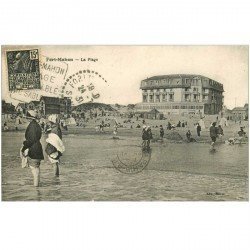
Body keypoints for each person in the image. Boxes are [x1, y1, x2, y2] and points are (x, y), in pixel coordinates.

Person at [21, 110, 44, 187]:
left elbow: (31, 140)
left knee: (34, 170)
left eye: (27, 117)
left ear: (29, 118)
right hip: (37, 148)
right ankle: (37, 191)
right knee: (36, 169)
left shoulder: (32, 126)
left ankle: (36, 190)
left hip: (33, 149)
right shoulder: (36, 125)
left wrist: (24, 148)